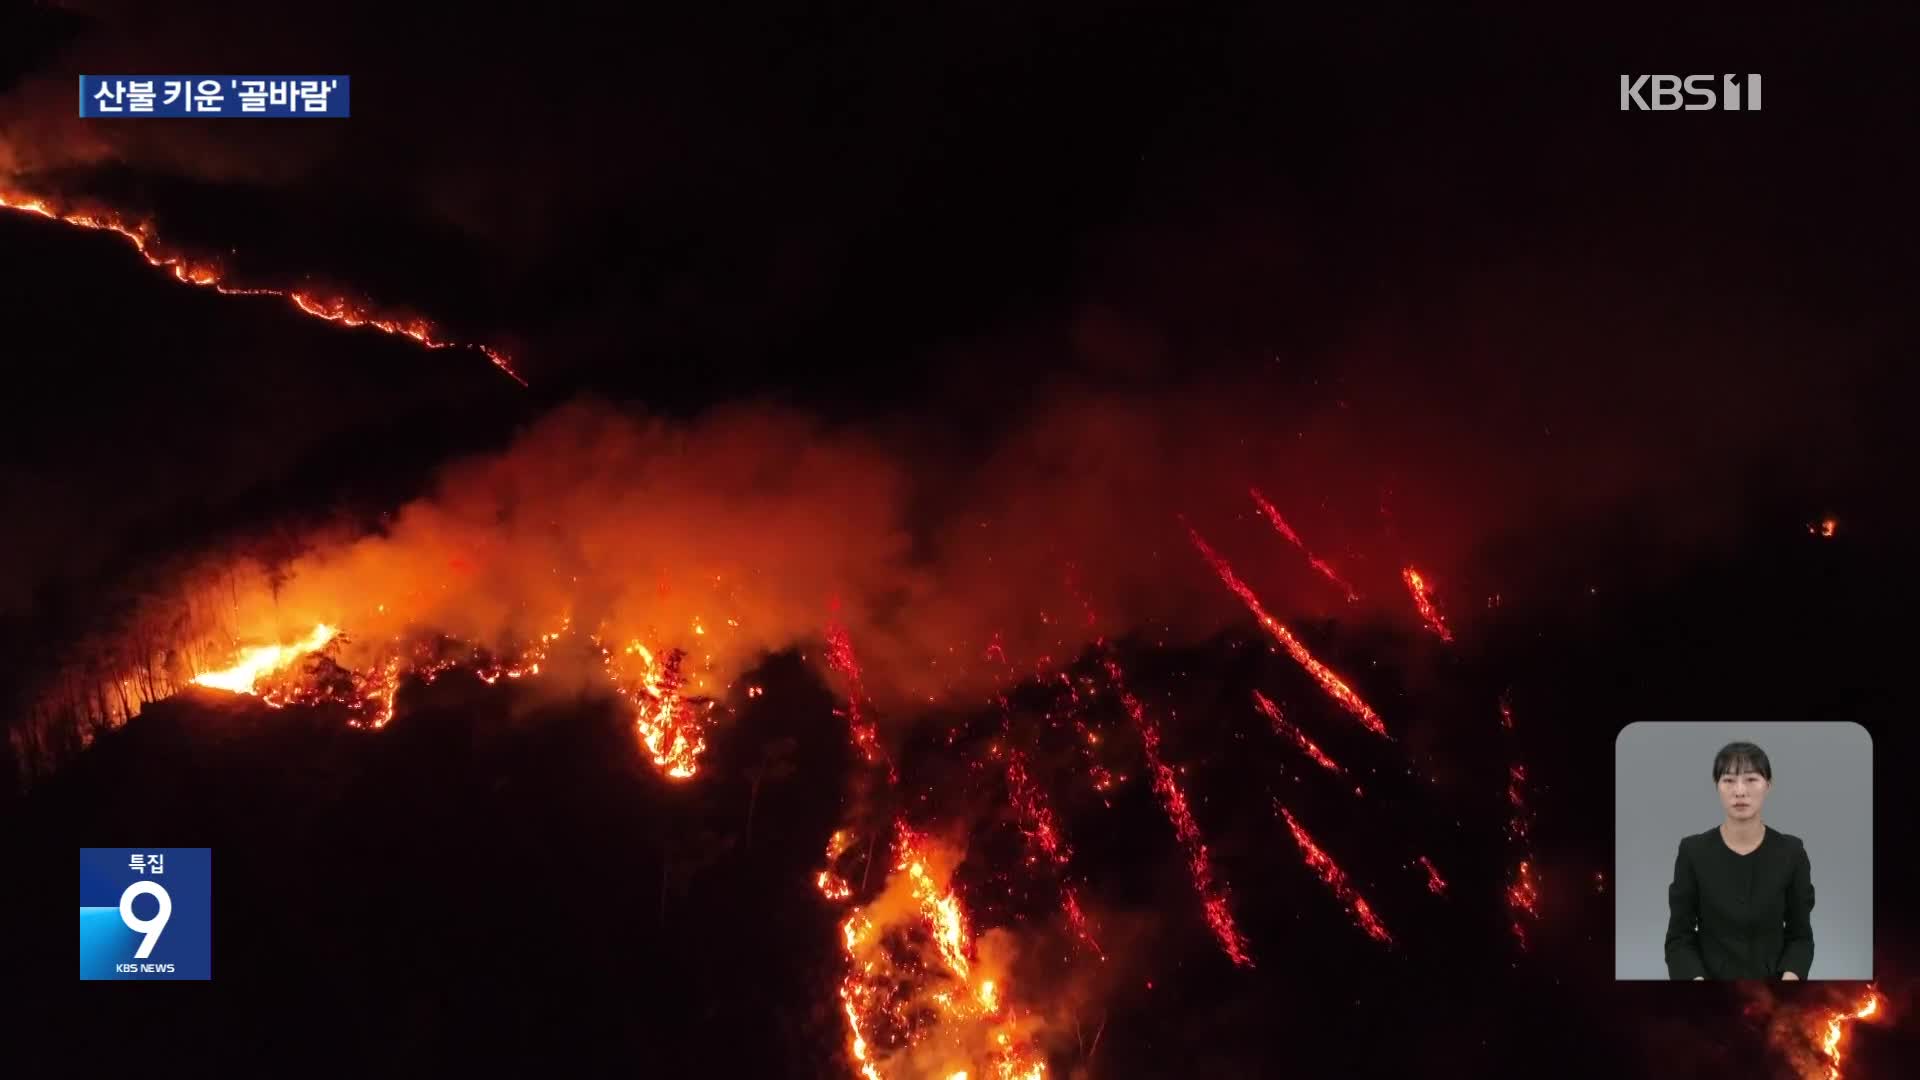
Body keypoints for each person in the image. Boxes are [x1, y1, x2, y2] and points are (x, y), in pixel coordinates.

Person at [1664, 741, 1815, 979]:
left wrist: (1789, 981)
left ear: (1768, 785)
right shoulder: (1693, 851)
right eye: (1729, 780)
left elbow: (1801, 937)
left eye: (1751, 779)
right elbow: (1679, 938)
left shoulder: (1791, 852)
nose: (1740, 791)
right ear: (1717, 786)